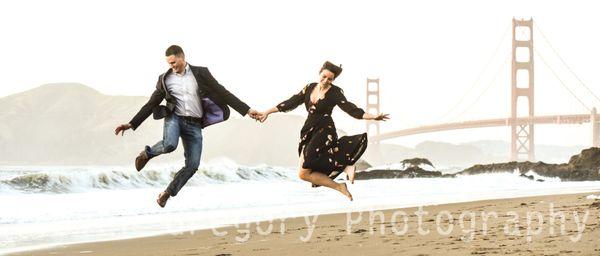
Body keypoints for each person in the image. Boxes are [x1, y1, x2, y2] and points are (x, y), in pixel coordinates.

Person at [114, 45, 260, 207]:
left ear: (182, 57)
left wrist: (247, 110)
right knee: (170, 144)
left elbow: (223, 92)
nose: (172, 66)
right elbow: (152, 103)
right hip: (174, 118)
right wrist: (132, 123)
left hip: (195, 124)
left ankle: (167, 193)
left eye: (174, 62)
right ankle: (147, 154)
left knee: (192, 165)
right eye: (169, 63)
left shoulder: (201, 73)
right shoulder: (165, 79)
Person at [257, 61, 389, 201]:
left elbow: (351, 109)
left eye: (330, 79)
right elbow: (291, 102)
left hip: (325, 130)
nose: (326, 80)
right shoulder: (309, 87)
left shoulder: (335, 92)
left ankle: (346, 166)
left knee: (309, 161)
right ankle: (340, 187)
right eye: (324, 76)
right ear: (319, 73)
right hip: (308, 130)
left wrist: (373, 116)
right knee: (303, 174)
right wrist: (267, 112)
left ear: (333, 80)